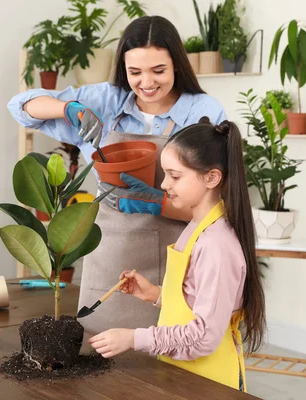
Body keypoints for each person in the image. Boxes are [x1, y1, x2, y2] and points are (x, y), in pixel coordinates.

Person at [7, 15, 227, 334]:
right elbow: (20, 107)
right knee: (104, 360)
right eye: (134, 72)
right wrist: (69, 109)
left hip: (181, 252)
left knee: (172, 362)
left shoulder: (203, 111)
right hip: (112, 254)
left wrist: (154, 204)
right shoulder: (107, 101)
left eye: (158, 71)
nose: (146, 83)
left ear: (177, 65)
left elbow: (213, 206)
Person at [88, 119, 266, 392]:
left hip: (211, 382)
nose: (163, 184)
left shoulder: (216, 245)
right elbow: (198, 300)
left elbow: (204, 337)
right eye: (164, 173)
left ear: (212, 177)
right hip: (184, 376)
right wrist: (157, 294)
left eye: (175, 175)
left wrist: (134, 338)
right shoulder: (196, 226)